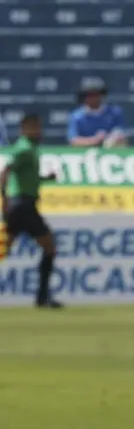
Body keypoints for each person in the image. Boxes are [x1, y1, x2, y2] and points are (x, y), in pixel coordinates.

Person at [0, 114, 62, 308]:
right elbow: (5, 170)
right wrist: (4, 198)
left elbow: (28, 177)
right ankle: (42, 297)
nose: (37, 131)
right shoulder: (24, 148)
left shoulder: (31, 148)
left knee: (3, 249)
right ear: (24, 129)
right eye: (33, 128)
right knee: (49, 247)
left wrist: (46, 179)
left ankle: (42, 297)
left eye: (38, 127)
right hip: (22, 205)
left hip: (22, 205)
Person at [67, 78, 127, 147]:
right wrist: (95, 140)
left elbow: (121, 135)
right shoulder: (76, 116)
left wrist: (111, 139)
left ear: (102, 95)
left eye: (95, 94)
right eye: (88, 95)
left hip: (110, 151)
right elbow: (73, 141)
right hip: (84, 152)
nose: (91, 98)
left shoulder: (115, 112)